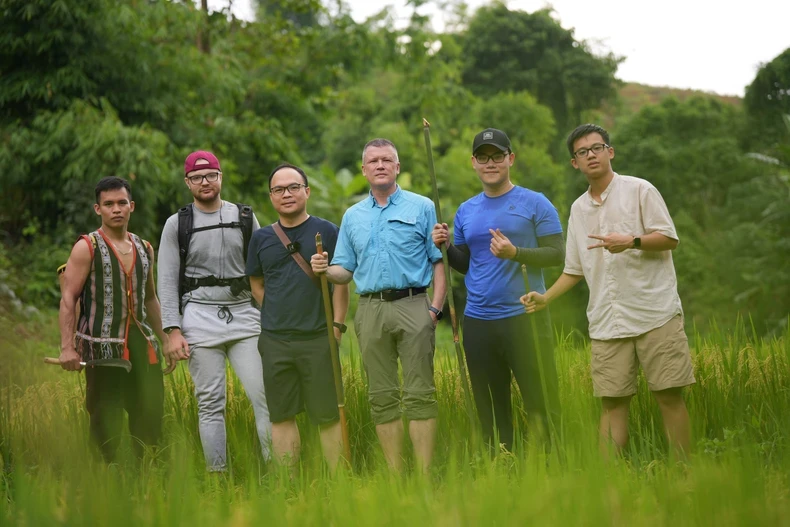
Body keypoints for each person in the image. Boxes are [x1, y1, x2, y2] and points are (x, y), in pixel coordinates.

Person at [522, 124, 695, 460]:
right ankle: (610, 483)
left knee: (669, 395)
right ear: (575, 163)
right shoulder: (578, 209)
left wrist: (631, 242)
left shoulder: (640, 191)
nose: (591, 155)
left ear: (610, 152)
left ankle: (684, 474)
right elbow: (574, 269)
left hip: (654, 313)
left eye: (597, 148)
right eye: (582, 152)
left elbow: (670, 238)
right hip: (607, 321)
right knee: (612, 402)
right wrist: (546, 298)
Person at [310, 138, 446, 473]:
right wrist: (324, 268)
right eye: (373, 161)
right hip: (370, 310)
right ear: (364, 170)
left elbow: (439, 261)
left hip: (415, 304)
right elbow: (345, 270)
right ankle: (396, 476)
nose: (380, 165)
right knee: (382, 397)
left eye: (387, 160)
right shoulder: (352, 216)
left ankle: (425, 477)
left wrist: (435, 309)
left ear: (397, 167)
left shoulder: (422, 206)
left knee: (420, 395)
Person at [432, 128, 564, 452]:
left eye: (497, 156)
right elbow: (466, 263)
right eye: (483, 157)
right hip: (478, 321)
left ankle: (552, 467)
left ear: (510, 159)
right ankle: (502, 468)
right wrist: (446, 246)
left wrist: (515, 252)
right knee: (490, 407)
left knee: (541, 402)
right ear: (473, 163)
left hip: (524, 316)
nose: (490, 163)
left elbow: (557, 254)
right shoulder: (466, 210)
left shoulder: (536, 203)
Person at [157, 151, 271, 472]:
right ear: (187, 183)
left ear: (221, 177)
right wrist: (173, 330)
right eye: (197, 178)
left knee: (265, 398)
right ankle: (217, 476)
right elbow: (165, 278)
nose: (204, 183)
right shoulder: (177, 224)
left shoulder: (245, 217)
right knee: (210, 404)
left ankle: (279, 473)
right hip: (198, 317)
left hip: (246, 316)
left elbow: (261, 272)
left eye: (210, 176)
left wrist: (271, 316)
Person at [246, 163, 350, 473]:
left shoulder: (327, 231)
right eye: (279, 189)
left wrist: (337, 328)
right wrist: (277, 310)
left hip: (319, 337)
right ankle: (287, 485)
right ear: (271, 197)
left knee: (328, 413)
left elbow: (341, 285)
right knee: (281, 414)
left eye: (293, 187)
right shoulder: (261, 238)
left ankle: (337, 482)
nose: (286, 194)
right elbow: (256, 283)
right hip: (275, 340)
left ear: (307, 191)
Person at [58, 176, 167, 462]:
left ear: (131, 206)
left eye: (121, 203)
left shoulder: (145, 248)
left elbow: (151, 299)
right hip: (102, 349)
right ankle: (108, 479)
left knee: (150, 412)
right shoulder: (86, 247)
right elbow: (68, 298)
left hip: (143, 344)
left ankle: (142, 475)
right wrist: (67, 348)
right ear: (98, 209)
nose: (116, 209)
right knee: (105, 419)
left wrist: (165, 340)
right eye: (109, 204)